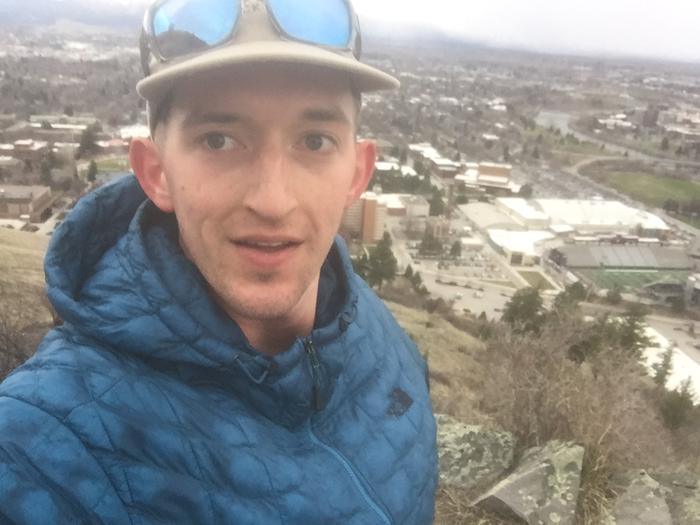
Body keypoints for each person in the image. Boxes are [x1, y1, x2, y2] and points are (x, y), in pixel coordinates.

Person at [0, 0, 438, 523]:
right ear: (156, 172)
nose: (272, 202)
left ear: (357, 173)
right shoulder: (37, 449)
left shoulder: (372, 326)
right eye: (218, 140)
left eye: (314, 141)